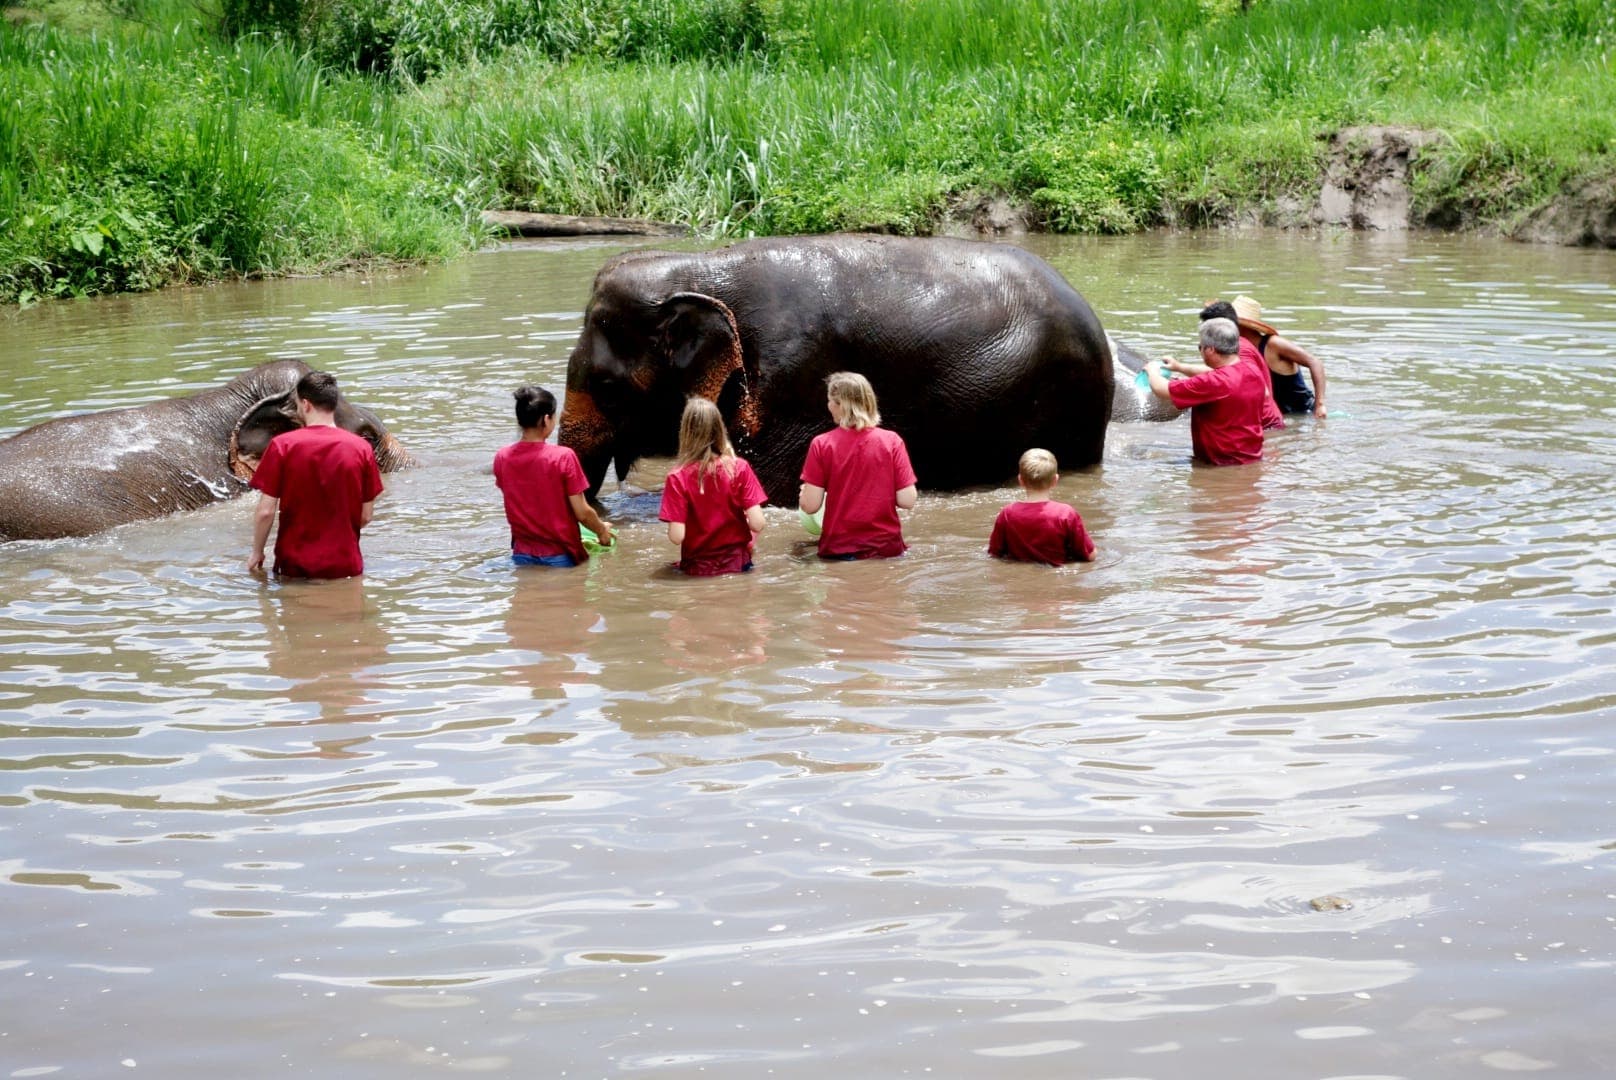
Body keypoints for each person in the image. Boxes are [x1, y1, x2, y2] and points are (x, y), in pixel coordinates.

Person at [248, 370, 384, 578]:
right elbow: (365, 516)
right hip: (346, 566)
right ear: (333, 404)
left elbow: (266, 512)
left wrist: (257, 552)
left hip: (294, 567)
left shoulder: (282, 446)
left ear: (306, 404)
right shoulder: (361, 448)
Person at [798, 371, 918, 560]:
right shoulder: (892, 441)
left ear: (840, 406)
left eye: (830, 400)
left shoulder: (821, 444)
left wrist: (803, 496)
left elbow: (811, 506)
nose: (828, 405)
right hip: (887, 548)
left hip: (839, 549)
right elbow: (907, 500)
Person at [492, 386, 614, 567]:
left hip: (522, 553)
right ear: (547, 419)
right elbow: (582, 512)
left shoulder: (503, 457)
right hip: (561, 554)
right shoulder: (563, 457)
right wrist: (601, 531)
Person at [659, 397, 767, 575]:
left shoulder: (677, 477)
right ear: (719, 429)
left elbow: (676, 537)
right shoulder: (739, 467)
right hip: (738, 564)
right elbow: (758, 524)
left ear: (686, 432)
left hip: (697, 568)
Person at [1145, 318, 1266, 466]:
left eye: (1200, 347)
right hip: (1251, 459)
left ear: (1210, 350)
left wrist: (1151, 371)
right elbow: (1214, 375)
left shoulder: (1213, 382)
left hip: (1222, 466)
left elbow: (1161, 389)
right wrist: (1179, 367)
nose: (1200, 351)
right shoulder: (1252, 370)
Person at [1167, 300, 1286, 430]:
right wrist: (1181, 369)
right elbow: (1223, 375)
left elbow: (1258, 388)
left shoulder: (1241, 350)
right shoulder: (1232, 347)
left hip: (1264, 426)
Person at [988, 448, 1096, 566]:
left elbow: (994, 553)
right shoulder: (1066, 513)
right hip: (1056, 580)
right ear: (1055, 480)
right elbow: (1090, 556)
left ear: (1020, 480)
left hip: (1018, 579)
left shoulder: (1007, 513)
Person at [1232, 294, 1328, 418]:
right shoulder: (1239, 349)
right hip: (1278, 416)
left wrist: (1320, 404)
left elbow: (1315, 362)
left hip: (1303, 413)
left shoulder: (1273, 344)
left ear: (1240, 326)